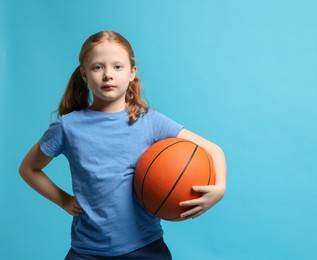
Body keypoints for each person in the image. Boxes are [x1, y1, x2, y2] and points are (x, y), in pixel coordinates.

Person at [19, 30, 226, 259]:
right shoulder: (67, 127)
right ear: (84, 74)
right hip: (87, 251)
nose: (108, 75)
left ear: (132, 73)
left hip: (145, 248)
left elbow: (213, 149)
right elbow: (29, 168)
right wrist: (64, 200)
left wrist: (219, 189)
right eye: (98, 67)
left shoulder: (150, 122)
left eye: (118, 67)